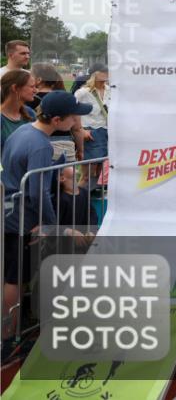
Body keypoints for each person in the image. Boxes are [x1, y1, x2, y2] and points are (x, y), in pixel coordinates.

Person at [2, 91, 92, 355]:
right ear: (56, 120)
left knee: (14, 275)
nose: (76, 121)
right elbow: (37, 191)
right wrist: (54, 226)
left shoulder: (22, 132)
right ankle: (9, 338)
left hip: (11, 213)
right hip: (24, 219)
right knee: (15, 278)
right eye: (72, 116)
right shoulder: (41, 144)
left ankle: (12, 333)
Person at [31, 63, 83, 162]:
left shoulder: (30, 99)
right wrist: (80, 150)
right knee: (67, 177)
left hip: (38, 145)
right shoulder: (69, 98)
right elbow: (77, 128)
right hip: (65, 145)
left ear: (39, 79)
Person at [74, 65, 110, 185]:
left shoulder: (111, 90)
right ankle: (79, 199)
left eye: (107, 71)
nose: (106, 73)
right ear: (94, 74)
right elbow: (73, 112)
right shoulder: (83, 92)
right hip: (91, 132)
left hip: (107, 132)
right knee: (87, 174)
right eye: (103, 71)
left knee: (100, 172)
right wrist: (81, 130)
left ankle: (92, 197)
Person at [1, 70, 37, 145]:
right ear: (15, 88)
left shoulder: (30, 113)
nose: (35, 90)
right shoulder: (2, 119)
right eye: (31, 86)